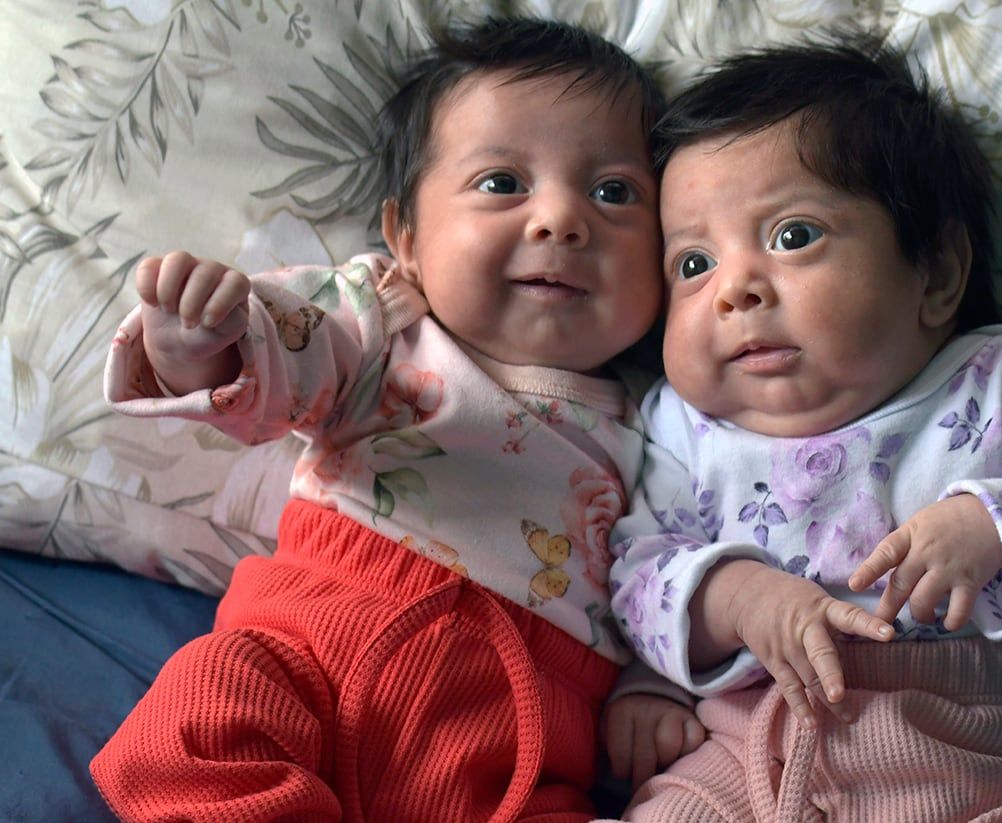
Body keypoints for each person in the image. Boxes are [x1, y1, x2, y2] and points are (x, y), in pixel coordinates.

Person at [92, 17, 701, 823]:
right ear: (405, 237)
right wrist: (203, 345)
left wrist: (650, 686)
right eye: (501, 183)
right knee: (199, 718)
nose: (561, 219)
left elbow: (670, 567)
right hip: (310, 658)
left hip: (510, 748)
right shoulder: (383, 319)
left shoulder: (669, 423)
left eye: (614, 192)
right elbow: (286, 355)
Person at [608, 31, 1002, 822]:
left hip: (974, 765)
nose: (734, 289)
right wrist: (731, 602)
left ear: (937, 274)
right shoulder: (681, 424)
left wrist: (995, 526)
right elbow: (640, 571)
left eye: (793, 236)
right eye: (693, 263)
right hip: (750, 754)